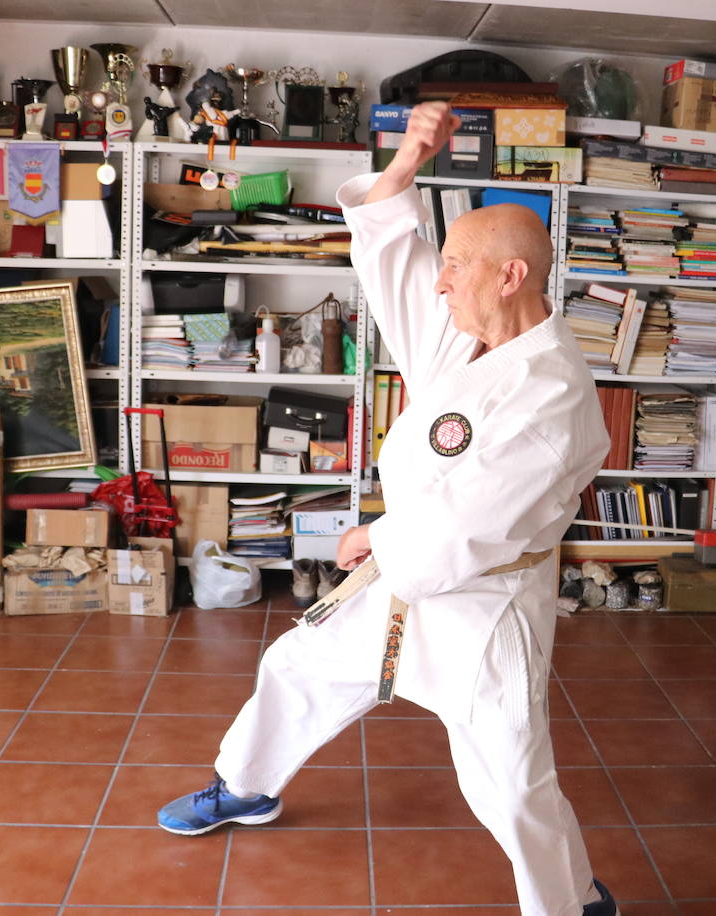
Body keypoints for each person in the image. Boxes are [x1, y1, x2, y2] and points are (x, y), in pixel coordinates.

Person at [158, 101, 617, 916]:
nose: (440, 279)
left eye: (459, 264)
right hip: (401, 578)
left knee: (510, 783)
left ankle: (574, 902)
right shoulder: (468, 333)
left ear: (510, 275)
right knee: (294, 668)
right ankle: (246, 786)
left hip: (483, 603)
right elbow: (394, 263)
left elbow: (469, 527)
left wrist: (373, 535)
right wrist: (405, 162)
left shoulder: (551, 395)